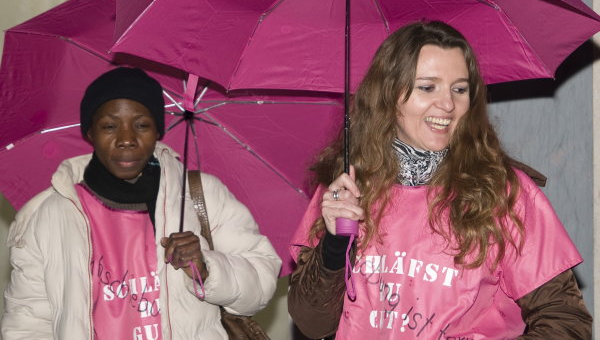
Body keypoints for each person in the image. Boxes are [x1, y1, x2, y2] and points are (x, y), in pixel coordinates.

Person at [288, 21, 592, 339]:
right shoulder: (346, 189)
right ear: (389, 95)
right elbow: (312, 324)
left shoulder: (503, 193)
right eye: (428, 87)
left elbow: (566, 322)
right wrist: (335, 243)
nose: (448, 104)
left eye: (459, 89)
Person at [1, 67, 281, 340]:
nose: (126, 139)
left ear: (158, 130)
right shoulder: (50, 215)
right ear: (89, 133)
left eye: (141, 125)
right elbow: (27, 322)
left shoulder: (200, 195)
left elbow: (262, 281)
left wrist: (206, 267)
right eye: (110, 126)